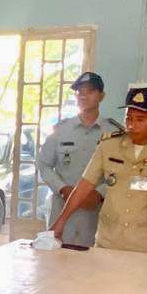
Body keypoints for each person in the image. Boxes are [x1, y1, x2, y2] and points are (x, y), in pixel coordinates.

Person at [49, 87, 147, 255]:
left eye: (140, 120)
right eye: (128, 118)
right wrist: (61, 222)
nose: (132, 125)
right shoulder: (109, 145)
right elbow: (85, 185)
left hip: (146, 245)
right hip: (108, 241)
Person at [36, 72, 107, 246]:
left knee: (95, 259)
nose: (83, 96)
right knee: (59, 256)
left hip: (96, 212)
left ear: (102, 96)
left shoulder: (112, 132)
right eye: (79, 92)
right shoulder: (61, 130)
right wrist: (62, 189)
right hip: (62, 210)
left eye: (90, 91)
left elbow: (120, 172)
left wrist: (100, 193)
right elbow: (43, 165)